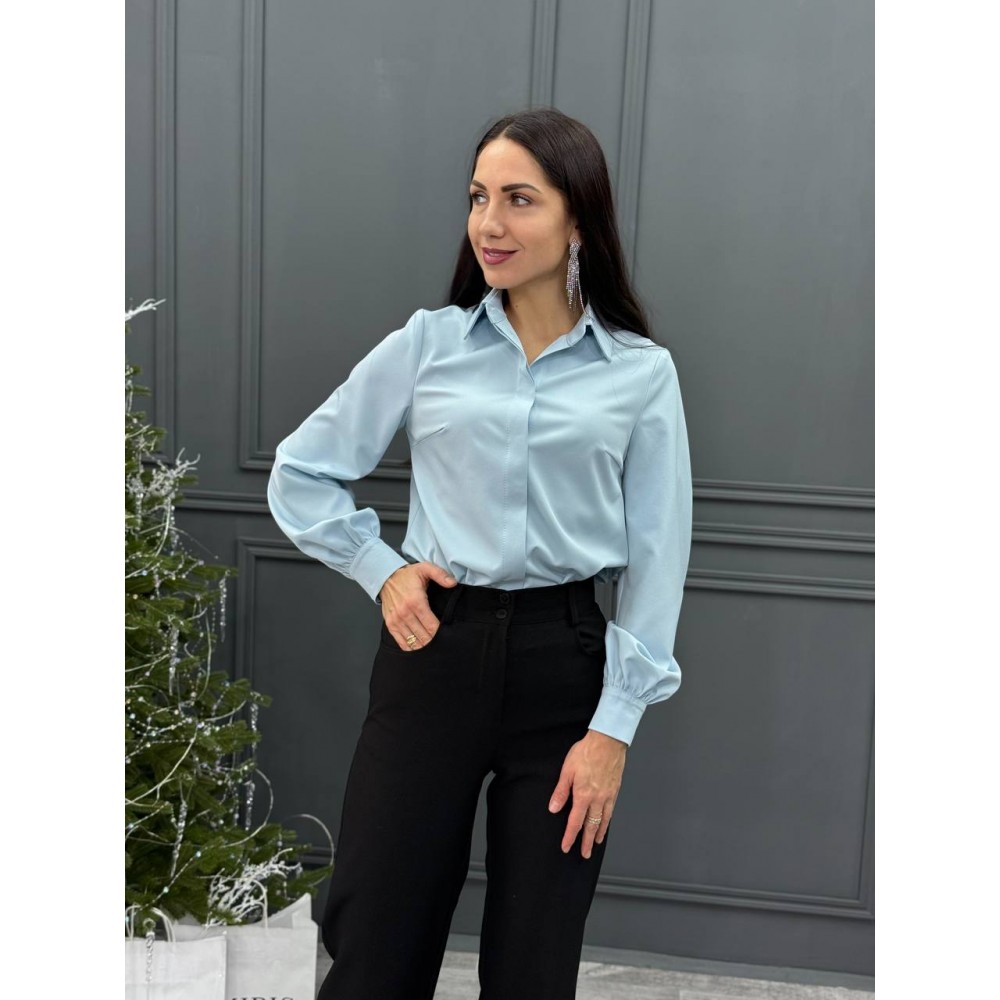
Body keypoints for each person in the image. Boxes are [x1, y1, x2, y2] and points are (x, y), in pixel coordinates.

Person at [267, 107, 692, 1000]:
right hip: (434, 651)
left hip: (565, 670)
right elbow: (301, 473)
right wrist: (382, 571)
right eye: (477, 198)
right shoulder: (429, 344)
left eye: (519, 200)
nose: (489, 223)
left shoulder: (640, 373)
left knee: (536, 961)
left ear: (578, 220)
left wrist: (613, 729)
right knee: (375, 943)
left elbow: (659, 557)